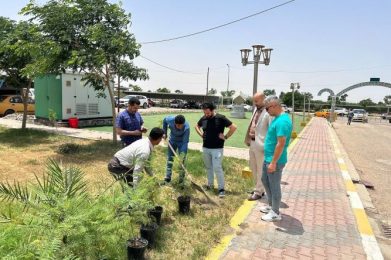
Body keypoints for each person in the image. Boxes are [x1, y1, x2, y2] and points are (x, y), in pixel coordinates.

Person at [260, 96, 292, 222]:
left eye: (267, 109)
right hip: (269, 158)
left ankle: (275, 212)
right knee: (265, 180)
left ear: (273, 105)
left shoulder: (283, 121)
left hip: (275, 160)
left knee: (274, 185)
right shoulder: (277, 118)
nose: (267, 111)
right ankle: (271, 205)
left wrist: (273, 162)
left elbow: (281, 143)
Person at [195, 103, 237, 198]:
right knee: (208, 167)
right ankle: (210, 185)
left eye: (208, 113)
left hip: (217, 148)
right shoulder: (204, 118)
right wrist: (201, 134)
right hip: (206, 147)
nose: (206, 115)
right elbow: (197, 126)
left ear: (213, 110)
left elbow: (233, 127)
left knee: (217, 168)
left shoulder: (221, 118)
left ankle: (221, 189)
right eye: (205, 113)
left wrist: (225, 136)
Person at [244, 92, 273, 201]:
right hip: (252, 142)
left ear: (263, 99)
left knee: (260, 169)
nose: (255, 103)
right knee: (253, 167)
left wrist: (267, 146)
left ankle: (258, 192)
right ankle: (258, 188)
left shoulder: (268, 112)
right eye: (254, 101)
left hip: (261, 145)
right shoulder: (256, 109)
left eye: (257, 101)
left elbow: (271, 130)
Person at [162, 115, 190, 184]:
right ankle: (167, 177)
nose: (178, 127)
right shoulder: (170, 119)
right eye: (177, 125)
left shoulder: (187, 127)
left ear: (183, 123)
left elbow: (185, 143)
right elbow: (164, 120)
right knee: (170, 158)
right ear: (174, 122)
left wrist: (182, 155)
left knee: (182, 161)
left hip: (181, 142)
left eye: (180, 126)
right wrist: (164, 132)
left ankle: (181, 180)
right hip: (172, 141)